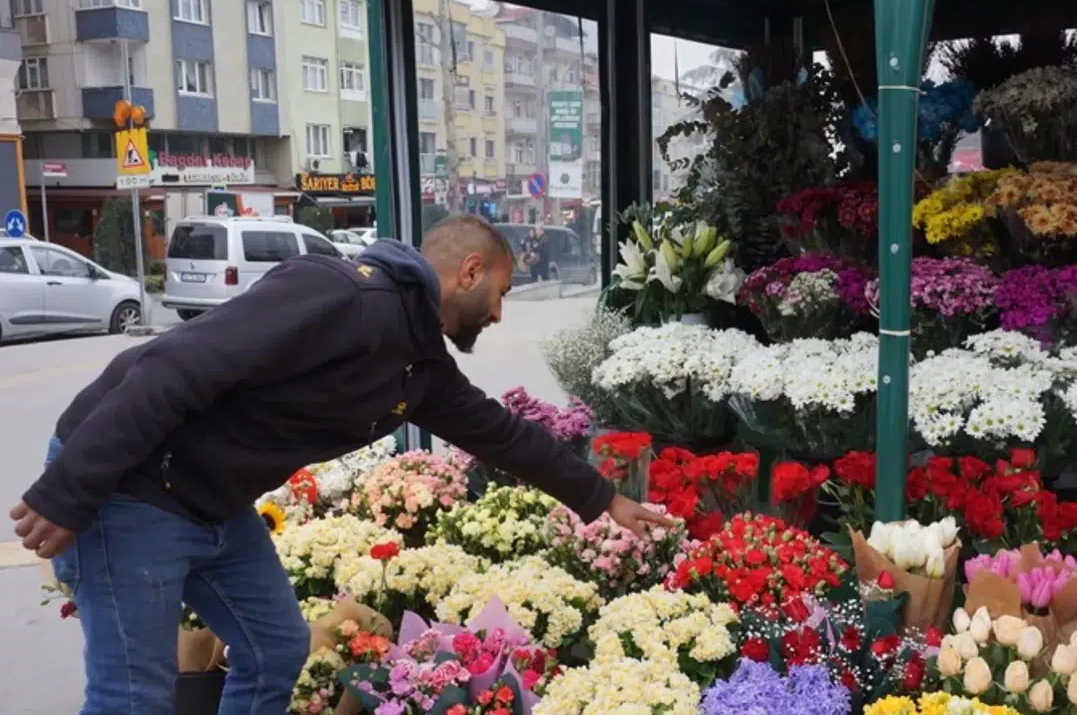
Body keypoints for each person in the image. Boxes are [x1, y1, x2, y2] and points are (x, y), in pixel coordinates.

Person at [9, 214, 670, 715]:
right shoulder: (338, 295)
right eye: (499, 292)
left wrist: (604, 499)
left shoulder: (420, 363)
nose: (499, 312)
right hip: (132, 484)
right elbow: (171, 367)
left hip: (210, 500)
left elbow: (502, 435)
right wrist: (71, 490)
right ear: (468, 272)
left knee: (275, 649)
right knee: (133, 694)